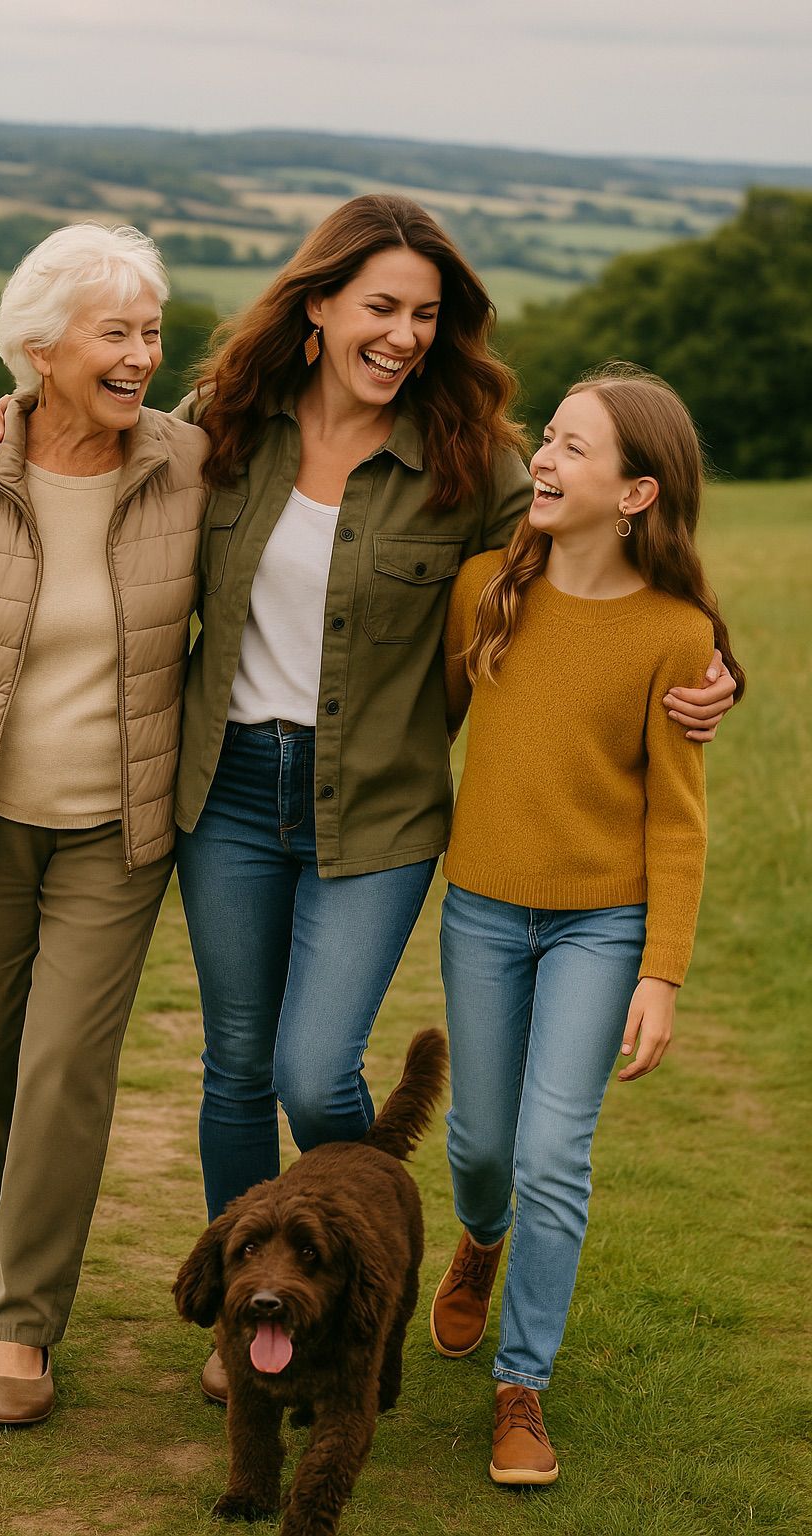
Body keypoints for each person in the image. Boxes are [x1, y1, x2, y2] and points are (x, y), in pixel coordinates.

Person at [0, 196, 737, 1406]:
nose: (405, 334)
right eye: (380, 306)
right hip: (226, 789)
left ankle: (353, 1276)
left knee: (315, 1072)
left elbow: (598, 561)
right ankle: (251, 1319)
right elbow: (85, 444)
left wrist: (712, 663)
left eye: (425, 314)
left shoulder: (472, 462)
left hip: (376, 806)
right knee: (233, 1067)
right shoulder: (222, 426)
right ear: (317, 305)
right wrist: (5, 416)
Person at [0, 223, 208, 1424]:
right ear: (41, 350)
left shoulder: (190, 466)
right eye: (115, 333)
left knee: (64, 1067)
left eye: (151, 332)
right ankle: (21, 1223)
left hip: (119, 829)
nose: (142, 355)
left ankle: (23, 1324)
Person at [428, 364, 745, 1485]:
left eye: (572, 447)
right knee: (481, 1145)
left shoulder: (675, 634)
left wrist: (661, 971)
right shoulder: (485, 589)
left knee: (554, 1152)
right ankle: (481, 1239)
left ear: (636, 494)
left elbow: (678, 819)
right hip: (481, 910)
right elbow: (426, 727)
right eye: (547, 437)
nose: (543, 460)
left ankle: (522, 1385)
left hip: (600, 928)